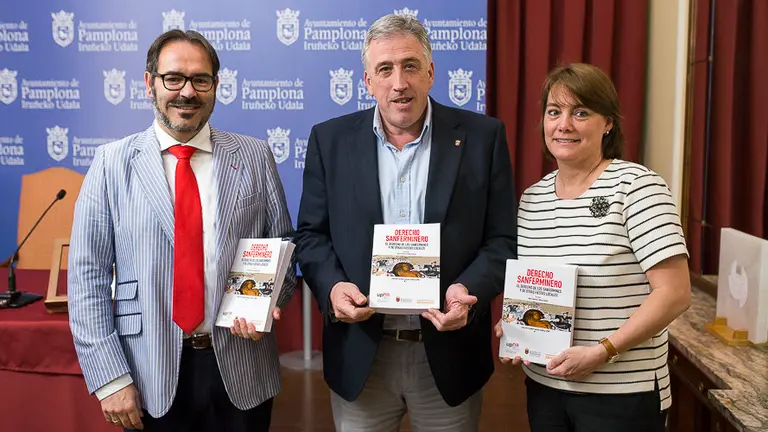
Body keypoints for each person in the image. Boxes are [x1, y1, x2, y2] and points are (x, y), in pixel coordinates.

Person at [295, 14, 517, 431]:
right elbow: (310, 235)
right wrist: (333, 287)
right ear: (367, 81)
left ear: (431, 72)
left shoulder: (482, 137)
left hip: (450, 356)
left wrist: (467, 291)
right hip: (361, 354)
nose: (399, 82)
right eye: (385, 69)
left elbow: (502, 240)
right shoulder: (330, 140)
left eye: (410, 65)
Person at [67, 29, 295, 431]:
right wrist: (110, 379)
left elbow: (284, 248)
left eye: (200, 80)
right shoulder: (110, 164)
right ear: (149, 83)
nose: (186, 92)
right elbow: (87, 280)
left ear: (215, 86)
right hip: (146, 373)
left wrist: (265, 307)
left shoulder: (255, 156)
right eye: (174, 78)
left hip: (242, 368)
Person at [496, 63, 691, 432]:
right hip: (546, 387)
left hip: (622, 395)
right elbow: (536, 288)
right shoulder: (532, 199)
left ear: (608, 123)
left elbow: (675, 294)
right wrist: (518, 326)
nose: (564, 124)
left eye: (581, 112)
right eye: (554, 112)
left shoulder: (636, 187)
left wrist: (603, 351)